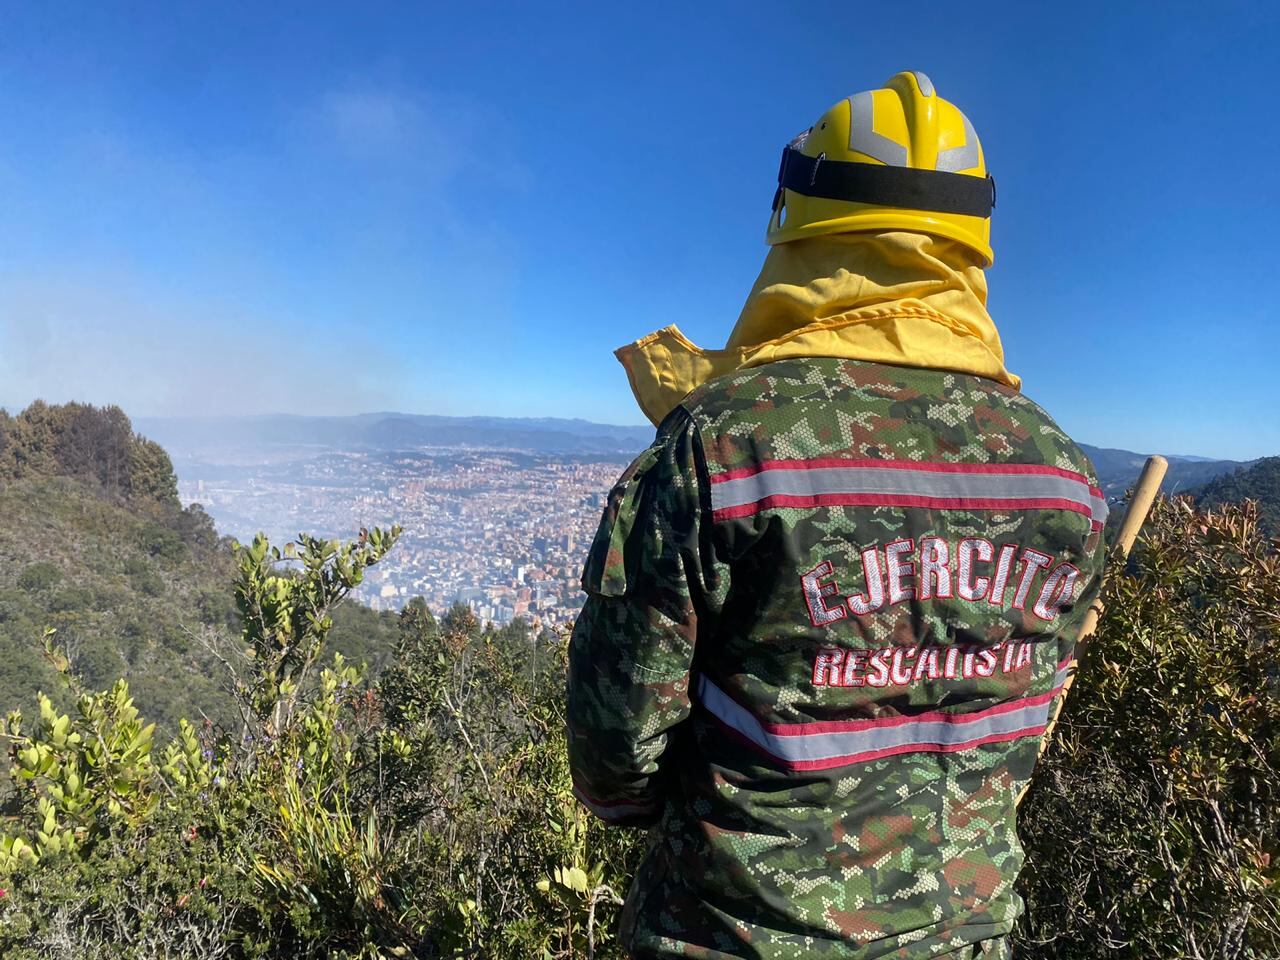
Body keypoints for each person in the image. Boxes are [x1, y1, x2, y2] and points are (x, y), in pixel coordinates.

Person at [567, 71, 1107, 959]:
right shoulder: (1067, 476)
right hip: (964, 937)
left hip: (734, 935)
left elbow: (614, 766)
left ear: (794, 223)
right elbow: (1029, 716)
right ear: (974, 246)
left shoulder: (719, 448)